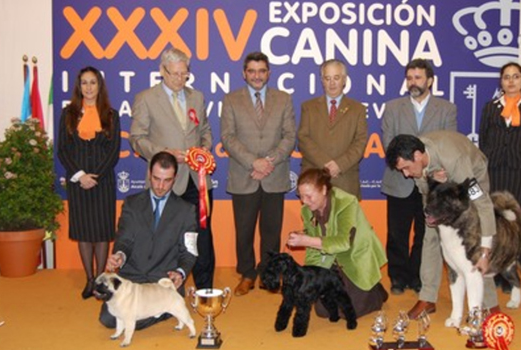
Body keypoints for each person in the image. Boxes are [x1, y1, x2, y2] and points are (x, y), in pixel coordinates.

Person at [385, 132, 500, 319]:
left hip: (471, 172)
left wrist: (486, 249)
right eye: (402, 171)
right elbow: (423, 189)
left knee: (473, 239)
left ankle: (489, 303)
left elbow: (483, 204)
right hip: (439, 182)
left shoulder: (456, 160)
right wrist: (429, 178)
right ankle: (427, 297)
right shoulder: (416, 161)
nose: (406, 174)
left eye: (406, 168)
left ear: (417, 156)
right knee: (430, 233)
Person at [129, 47, 215, 289]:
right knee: (162, 236)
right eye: (175, 74)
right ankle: (159, 289)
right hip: (164, 181)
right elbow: (136, 138)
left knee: (202, 236)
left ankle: (205, 289)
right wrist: (163, 154)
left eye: (184, 74)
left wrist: (204, 150)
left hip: (196, 180)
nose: (180, 79)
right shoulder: (146, 98)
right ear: (162, 71)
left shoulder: (197, 96)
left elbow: (205, 130)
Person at [220, 52, 296, 296]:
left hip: (274, 175)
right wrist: (254, 162)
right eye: (252, 71)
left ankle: (268, 274)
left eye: (261, 71)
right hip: (245, 175)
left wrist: (268, 162)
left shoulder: (283, 99)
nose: (257, 76)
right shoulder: (231, 100)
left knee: (272, 231)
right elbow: (228, 137)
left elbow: (289, 136)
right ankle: (247, 274)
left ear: (268, 73)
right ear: (244, 73)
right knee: (244, 231)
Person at [381, 58, 457, 295]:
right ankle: (397, 277)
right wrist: (410, 166)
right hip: (399, 181)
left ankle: (418, 277)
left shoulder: (446, 109)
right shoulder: (393, 108)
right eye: (410, 78)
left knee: (426, 234)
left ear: (430, 81)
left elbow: (448, 145)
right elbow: (389, 145)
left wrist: (426, 172)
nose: (413, 82)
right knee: (397, 233)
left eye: (418, 77)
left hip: (432, 183)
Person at [99, 151, 198, 329]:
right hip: (132, 278)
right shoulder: (131, 203)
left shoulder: (187, 210)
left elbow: (189, 251)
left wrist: (181, 272)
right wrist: (120, 255)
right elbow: (124, 238)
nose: (160, 186)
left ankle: (163, 306)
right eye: (156, 178)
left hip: (162, 281)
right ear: (149, 175)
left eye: (167, 180)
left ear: (174, 178)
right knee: (109, 319)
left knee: (130, 319)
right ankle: (163, 310)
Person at [287, 168, 388, 318]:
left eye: (309, 196)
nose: (304, 201)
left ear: (323, 189)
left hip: (357, 256)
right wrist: (310, 276)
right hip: (332, 261)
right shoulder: (306, 211)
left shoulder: (346, 202)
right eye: (301, 196)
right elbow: (313, 245)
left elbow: (343, 242)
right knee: (323, 311)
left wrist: (306, 240)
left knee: (351, 312)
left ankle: (375, 291)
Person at [57, 66, 120, 299]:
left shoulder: (111, 115)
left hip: (103, 183)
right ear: (78, 86)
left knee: (102, 233)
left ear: (99, 86)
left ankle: (101, 280)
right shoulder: (68, 114)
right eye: (84, 83)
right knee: (84, 232)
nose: (89, 87)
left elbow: (113, 152)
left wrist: (96, 177)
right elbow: (62, 150)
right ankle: (89, 280)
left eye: (93, 82)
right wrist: (80, 176)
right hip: (77, 182)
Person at [297, 59, 367, 199]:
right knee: (315, 221)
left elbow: (360, 143)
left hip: (345, 179)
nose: (332, 83)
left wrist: (339, 165)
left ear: (344, 80)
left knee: (345, 221)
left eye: (336, 78)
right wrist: (326, 166)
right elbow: (303, 139)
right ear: (322, 81)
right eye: (327, 78)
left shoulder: (357, 109)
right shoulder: (308, 107)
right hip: (315, 180)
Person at [479, 62, 521, 211]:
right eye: (506, 77)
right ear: (501, 82)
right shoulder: (490, 107)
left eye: (516, 77)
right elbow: (483, 139)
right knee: (494, 211)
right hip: (494, 168)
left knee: (516, 213)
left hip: (519, 169)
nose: (511, 81)